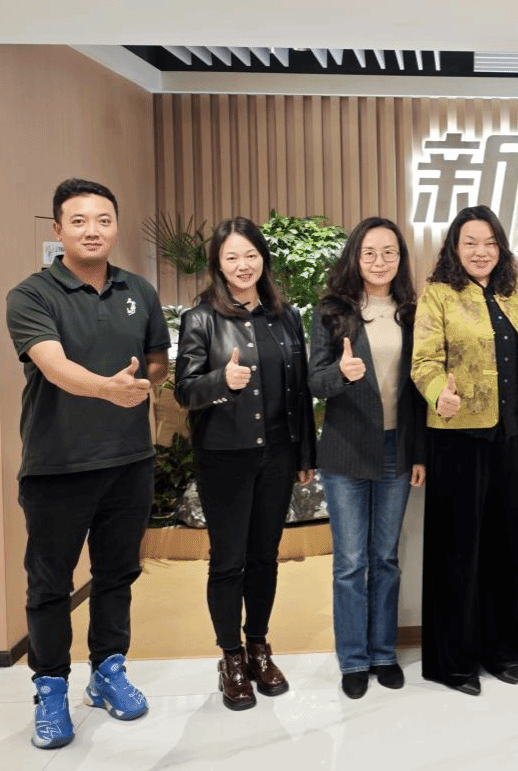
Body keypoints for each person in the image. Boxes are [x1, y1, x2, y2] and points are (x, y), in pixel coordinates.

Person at [6, 178, 170, 748]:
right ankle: (51, 687)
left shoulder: (139, 290)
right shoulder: (31, 295)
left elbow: (157, 360)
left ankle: (107, 671)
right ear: (59, 230)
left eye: (103, 219)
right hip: (57, 466)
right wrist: (107, 388)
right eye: (78, 221)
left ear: (116, 226)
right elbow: (52, 365)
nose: (92, 230)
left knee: (117, 575)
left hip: (129, 462)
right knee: (50, 584)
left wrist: (143, 380)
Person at [174, 217, 316, 711]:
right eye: (231, 257)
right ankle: (231, 657)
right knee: (228, 560)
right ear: (218, 264)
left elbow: (299, 391)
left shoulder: (287, 317)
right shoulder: (200, 319)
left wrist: (305, 454)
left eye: (250, 255)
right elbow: (184, 390)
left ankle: (258, 646)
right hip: (224, 459)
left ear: (263, 259)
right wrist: (221, 381)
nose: (242, 265)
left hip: (278, 454)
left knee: (264, 556)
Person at [411, 205, 518, 696]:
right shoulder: (438, 294)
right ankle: (454, 662)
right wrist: (436, 394)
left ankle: (501, 652)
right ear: (454, 247)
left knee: (505, 548)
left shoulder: (513, 293)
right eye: (470, 242)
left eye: (489, 243)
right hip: (457, 437)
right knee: (457, 552)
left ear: (501, 248)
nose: (481, 251)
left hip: (512, 436)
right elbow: (423, 362)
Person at [309, 217, 427, 699]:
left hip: (399, 447)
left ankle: (383, 652)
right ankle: (354, 658)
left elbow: (418, 390)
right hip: (346, 450)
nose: (380, 261)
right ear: (355, 257)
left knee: (385, 558)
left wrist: (420, 453)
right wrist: (341, 373)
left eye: (389, 252)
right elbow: (315, 382)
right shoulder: (332, 312)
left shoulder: (412, 312)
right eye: (370, 252)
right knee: (351, 561)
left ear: (400, 258)